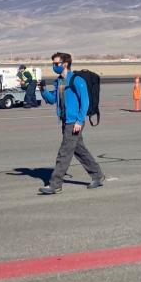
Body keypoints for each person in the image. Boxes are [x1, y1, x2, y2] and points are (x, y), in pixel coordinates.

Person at [38, 52, 104, 194]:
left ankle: (55, 184)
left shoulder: (76, 80)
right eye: (53, 64)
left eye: (56, 64)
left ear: (65, 64)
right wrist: (42, 89)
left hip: (74, 121)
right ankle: (97, 175)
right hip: (65, 120)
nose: (54, 66)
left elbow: (84, 102)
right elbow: (51, 100)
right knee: (79, 150)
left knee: (65, 152)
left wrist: (80, 121)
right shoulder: (59, 82)